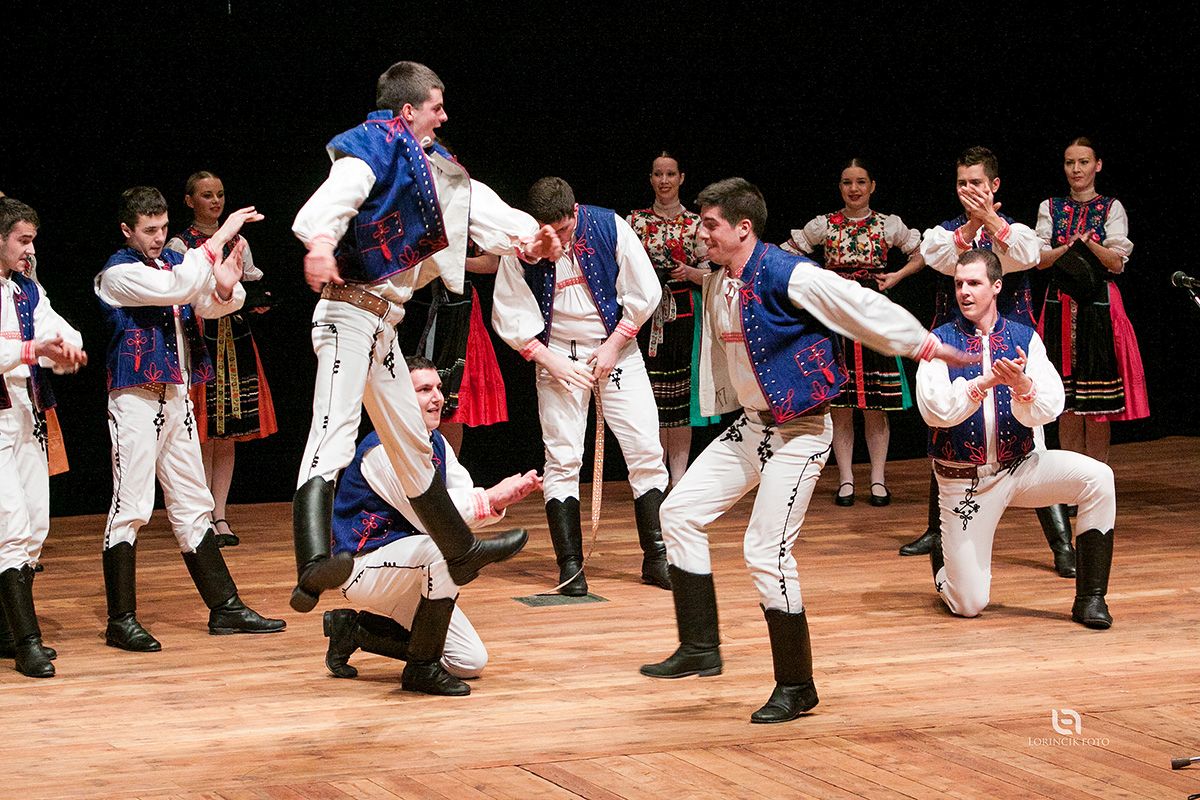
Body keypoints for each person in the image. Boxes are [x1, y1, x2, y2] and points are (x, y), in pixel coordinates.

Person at [639, 178, 970, 724]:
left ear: (743, 228)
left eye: (711, 225)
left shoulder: (787, 273)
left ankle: (797, 685)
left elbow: (856, 304)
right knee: (677, 513)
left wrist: (924, 345)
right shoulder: (722, 281)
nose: (702, 234)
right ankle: (700, 645)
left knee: (765, 552)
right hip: (753, 427)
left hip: (800, 431)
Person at [289, 60, 561, 612]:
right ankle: (312, 561)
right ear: (409, 110)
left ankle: (459, 549)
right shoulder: (372, 146)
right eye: (436, 106)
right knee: (333, 429)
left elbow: (476, 205)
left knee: (413, 442)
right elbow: (338, 195)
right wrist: (320, 242)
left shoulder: (432, 165)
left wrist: (530, 239)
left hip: (384, 324)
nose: (444, 115)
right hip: (348, 313)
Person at [96, 186, 285, 651]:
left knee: (193, 501)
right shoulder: (118, 273)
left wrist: (226, 285)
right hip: (136, 400)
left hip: (176, 396)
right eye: (149, 230)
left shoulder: (170, 265)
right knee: (131, 505)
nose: (159, 238)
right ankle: (120, 619)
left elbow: (207, 303)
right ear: (127, 230)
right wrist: (218, 238)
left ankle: (225, 607)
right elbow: (178, 289)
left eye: (163, 228)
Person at [900, 146, 1076, 580]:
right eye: (962, 183)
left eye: (977, 183)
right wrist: (971, 226)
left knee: (1032, 441)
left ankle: (1062, 545)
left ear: (994, 185)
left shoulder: (1014, 230)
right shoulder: (946, 233)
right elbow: (939, 258)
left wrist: (991, 221)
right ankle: (938, 533)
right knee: (950, 430)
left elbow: (1028, 255)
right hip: (958, 345)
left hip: (1010, 344)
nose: (969, 190)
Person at [491, 177, 671, 596]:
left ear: (574, 212)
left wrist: (614, 345)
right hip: (557, 355)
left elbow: (645, 291)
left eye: (565, 229)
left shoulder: (609, 226)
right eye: (550, 233)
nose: (559, 241)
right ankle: (570, 566)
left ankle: (657, 557)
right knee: (563, 458)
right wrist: (550, 361)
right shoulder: (523, 245)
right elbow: (509, 313)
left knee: (645, 450)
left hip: (616, 348)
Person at [917, 249, 1115, 628]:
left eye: (973, 283)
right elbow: (936, 411)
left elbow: (1050, 404)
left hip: (1021, 468)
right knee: (968, 604)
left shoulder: (1024, 337)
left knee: (1099, 478)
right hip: (967, 483)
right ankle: (945, 557)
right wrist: (984, 382)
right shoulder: (938, 344)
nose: (964, 292)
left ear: (996, 286)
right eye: (959, 284)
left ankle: (1091, 598)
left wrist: (1023, 386)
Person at [321, 356, 541, 694]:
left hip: (412, 565)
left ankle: (352, 630)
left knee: (469, 661)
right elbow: (431, 518)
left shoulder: (436, 441)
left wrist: (497, 502)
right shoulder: (382, 451)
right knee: (443, 549)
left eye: (438, 387)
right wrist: (490, 497)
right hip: (363, 568)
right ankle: (421, 669)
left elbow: (462, 500)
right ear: (398, 398)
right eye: (424, 390)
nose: (437, 397)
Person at [781, 158, 925, 506]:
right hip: (835, 314)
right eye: (847, 182)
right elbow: (787, 254)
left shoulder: (887, 224)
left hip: (871, 313)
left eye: (861, 182)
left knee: (876, 405)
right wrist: (815, 282)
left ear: (872, 186)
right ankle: (845, 478)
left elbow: (922, 253)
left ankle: (877, 479)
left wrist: (897, 276)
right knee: (841, 404)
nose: (854, 189)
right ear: (840, 187)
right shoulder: (825, 225)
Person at [167, 171, 278, 548]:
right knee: (201, 431)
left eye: (219, 194)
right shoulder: (180, 244)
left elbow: (249, 282)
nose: (215, 201)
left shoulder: (238, 241)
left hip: (234, 337)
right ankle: (199, 516)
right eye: (206, 195)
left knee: (227, 431)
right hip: (200, 339)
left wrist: (257, 300)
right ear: (189, 201)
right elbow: (179, 292)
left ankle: (220, 514)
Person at [0, 197, 87, 678]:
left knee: (35, 525)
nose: (30, 250)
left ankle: (5, 630)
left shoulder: (25, 290)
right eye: (23, 240)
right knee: (11, 527)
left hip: (25, 412)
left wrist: (64, 349)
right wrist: (32, 349)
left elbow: (60, 330)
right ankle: (26, 642)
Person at [1035, 136, 1148, 464]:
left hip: (1098, 306)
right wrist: (1068, 248)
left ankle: (1096, 479)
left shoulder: (1111, 208)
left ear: (1097, 165)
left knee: (1097, 404)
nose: (1076, 169)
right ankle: (1072, 479)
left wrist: (1088, 245)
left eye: (1083, 162)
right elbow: (1039, 260)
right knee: (1066, 403)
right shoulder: (1050, 207)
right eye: (1070, 162)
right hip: (1059, 305)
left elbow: (1117, 262)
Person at [627, 152, 721, 486]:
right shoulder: (635, 221)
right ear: (650, 178)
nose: (664, 181)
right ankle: (655, 476)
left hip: (685, 314)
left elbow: (714, 275)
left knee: (681, 400)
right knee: (650, 398)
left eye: (670, 174)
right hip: (646, 315)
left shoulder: (697, 223)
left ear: (681, 178)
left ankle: (678, 480)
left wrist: (688, 272)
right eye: (658, 174)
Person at [398, 247, 508, 454]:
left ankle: (447, 469)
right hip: (413, 301)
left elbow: (491, 263)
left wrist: (451, 261)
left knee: (451, 399)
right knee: (403, 390)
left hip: (457, 309)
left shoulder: (473, 224)